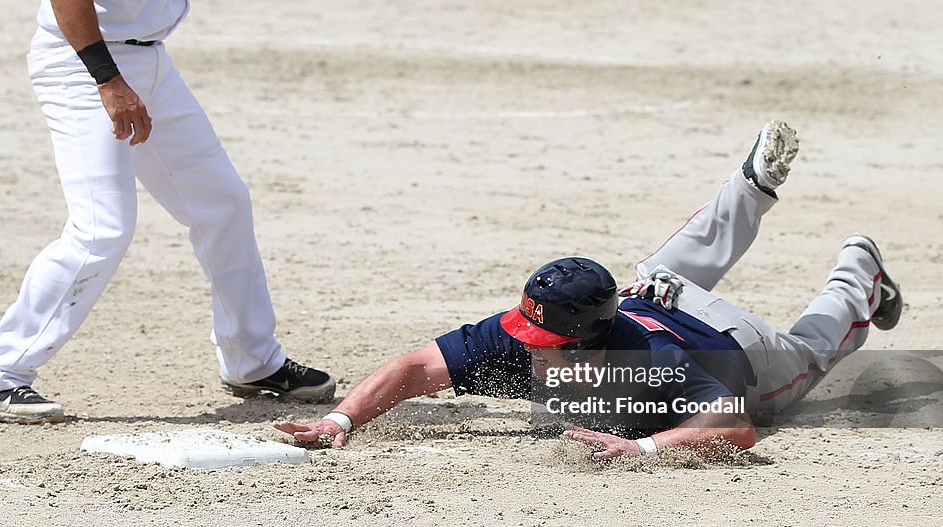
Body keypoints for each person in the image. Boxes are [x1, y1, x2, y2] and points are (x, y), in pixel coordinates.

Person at [275, 121, 903, 459]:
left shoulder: (660, 366)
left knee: (811, 355)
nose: (529, 349)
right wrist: (341, 417)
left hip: (738, 348)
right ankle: (748, 187)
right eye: (529, 332)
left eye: (545, 341)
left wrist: (645, 447)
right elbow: (417, 367)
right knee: (653, 271)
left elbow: (734, 426)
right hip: (649, 295)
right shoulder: (530, 331)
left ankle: (858, 275)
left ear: (589, 342)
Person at [0, 0, 335, 424]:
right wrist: (107, 78)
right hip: (86, 66)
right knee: (102, 228)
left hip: (151, 61)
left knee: (223, 203)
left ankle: (251, 360)